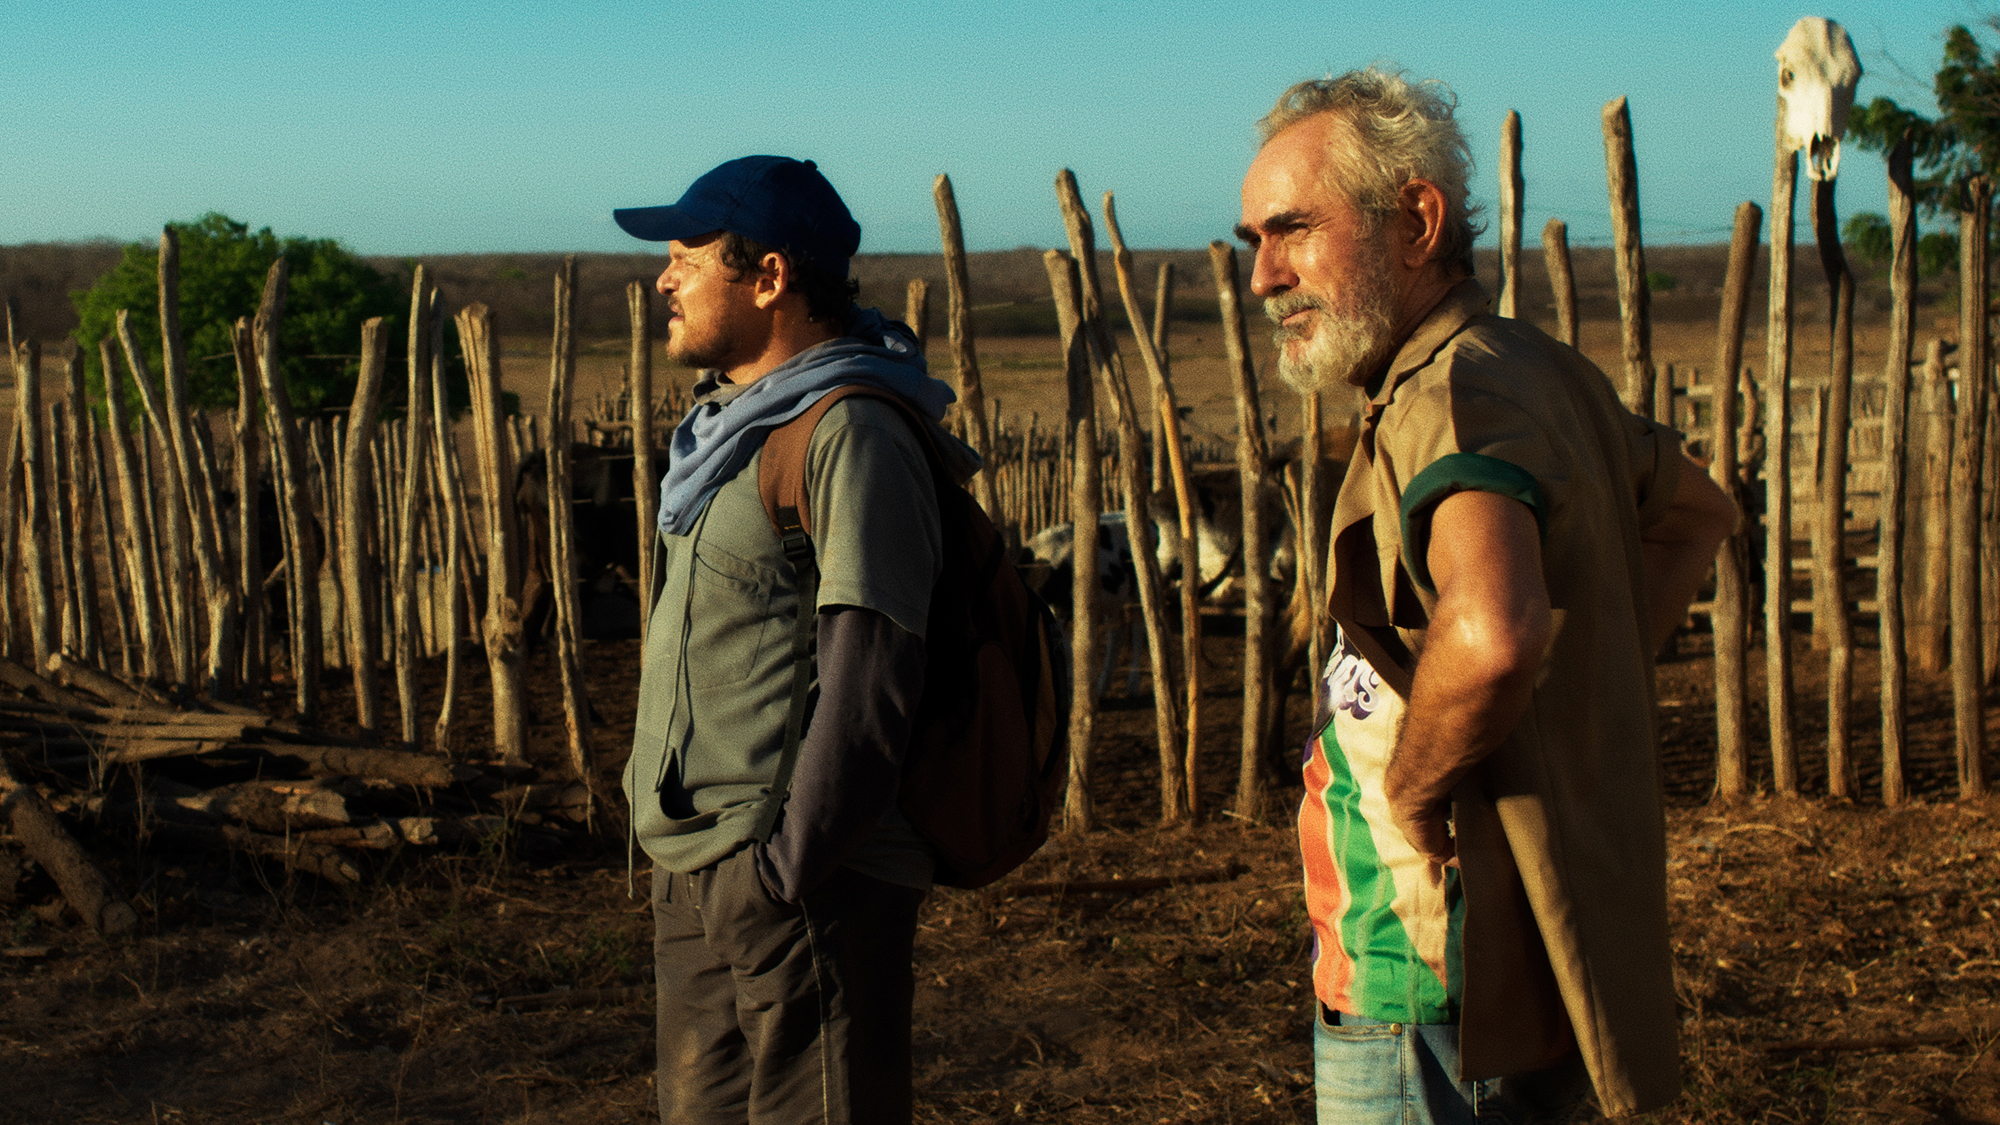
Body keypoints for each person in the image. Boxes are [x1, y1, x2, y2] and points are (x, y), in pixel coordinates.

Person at [1235, 70, 1735, 1122]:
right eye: (1252, 242)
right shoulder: (1528, 370)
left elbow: (1489, 631)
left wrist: (1414, 797)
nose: (1262, 277)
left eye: (1291, 231)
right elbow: (1696, 512)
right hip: (1495, 954)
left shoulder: (1448, 397)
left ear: (1413, 222)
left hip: (1425, 965)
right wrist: (1578, 689)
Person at [615, 155, 973, 1125]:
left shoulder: (847, 429)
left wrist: (790, 866)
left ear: (768, 277)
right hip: (703, 860)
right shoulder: (729, 434)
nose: (664, 279)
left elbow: (874, 664)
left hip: (803, 877)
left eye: (688, 256)